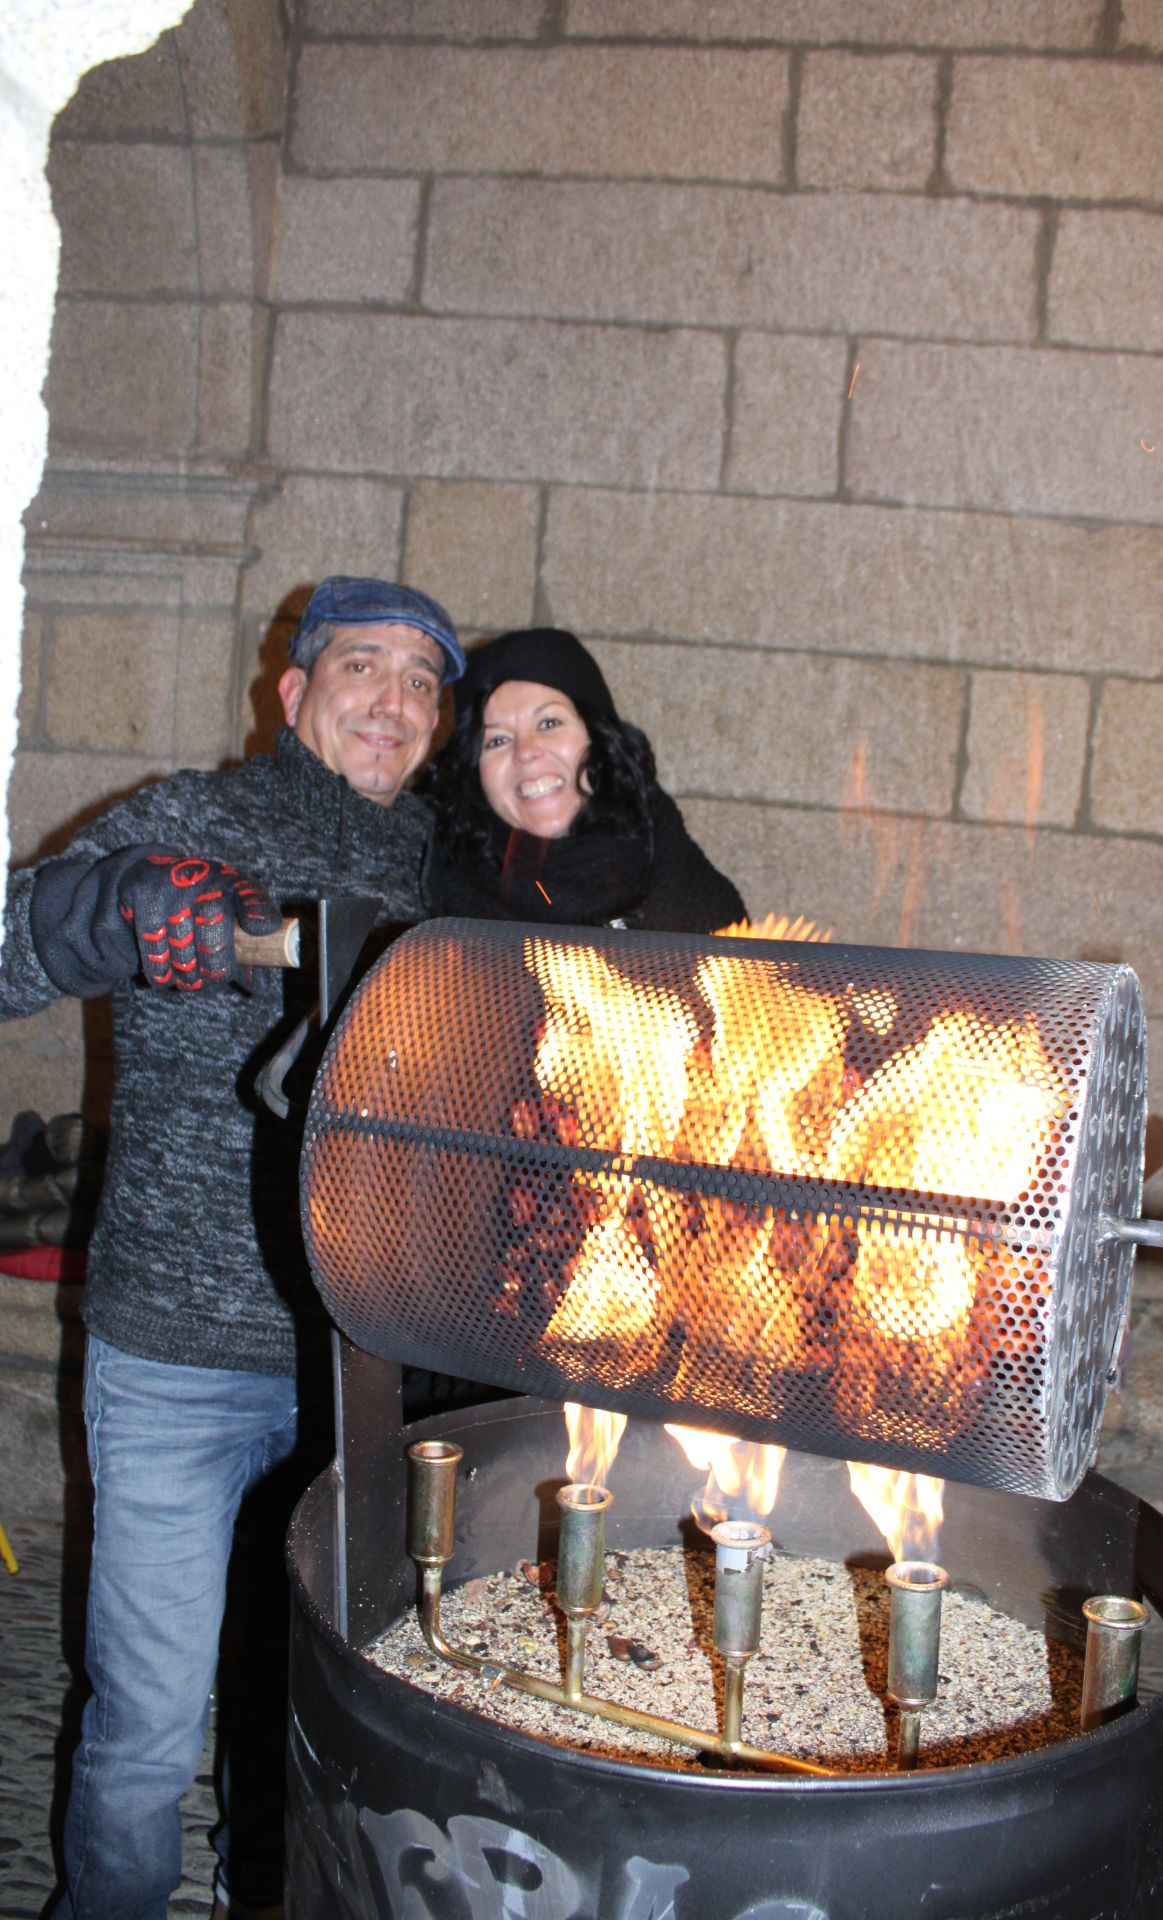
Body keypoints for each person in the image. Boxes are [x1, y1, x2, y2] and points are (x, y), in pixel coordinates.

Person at [0, 575, 465, 1920]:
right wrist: (108, 904)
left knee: (304, 1720)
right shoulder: (188, 819)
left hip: (360, 1375)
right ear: (295, 694)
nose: (392, 700)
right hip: (176, 1364)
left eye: (422, 683)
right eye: (362, 668)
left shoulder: (441, 866)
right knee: (144, 1728)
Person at [427, 626, 745, 933]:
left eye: (549, 723)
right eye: (496, 741)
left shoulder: (684, 881)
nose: (525, 751)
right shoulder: (440, 916)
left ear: (599, 737)